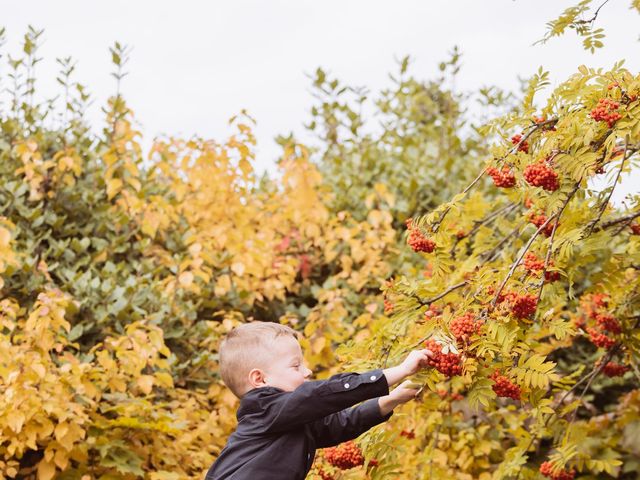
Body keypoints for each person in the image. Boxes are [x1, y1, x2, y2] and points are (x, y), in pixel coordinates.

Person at [205, 321, 434, 479]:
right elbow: (319, 395)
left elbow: (339, 424)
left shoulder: (290, 419)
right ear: (259, 378)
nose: (308, 372)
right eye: (296, 366)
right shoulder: (265, 409)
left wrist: (390, 400)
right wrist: (399, 371)